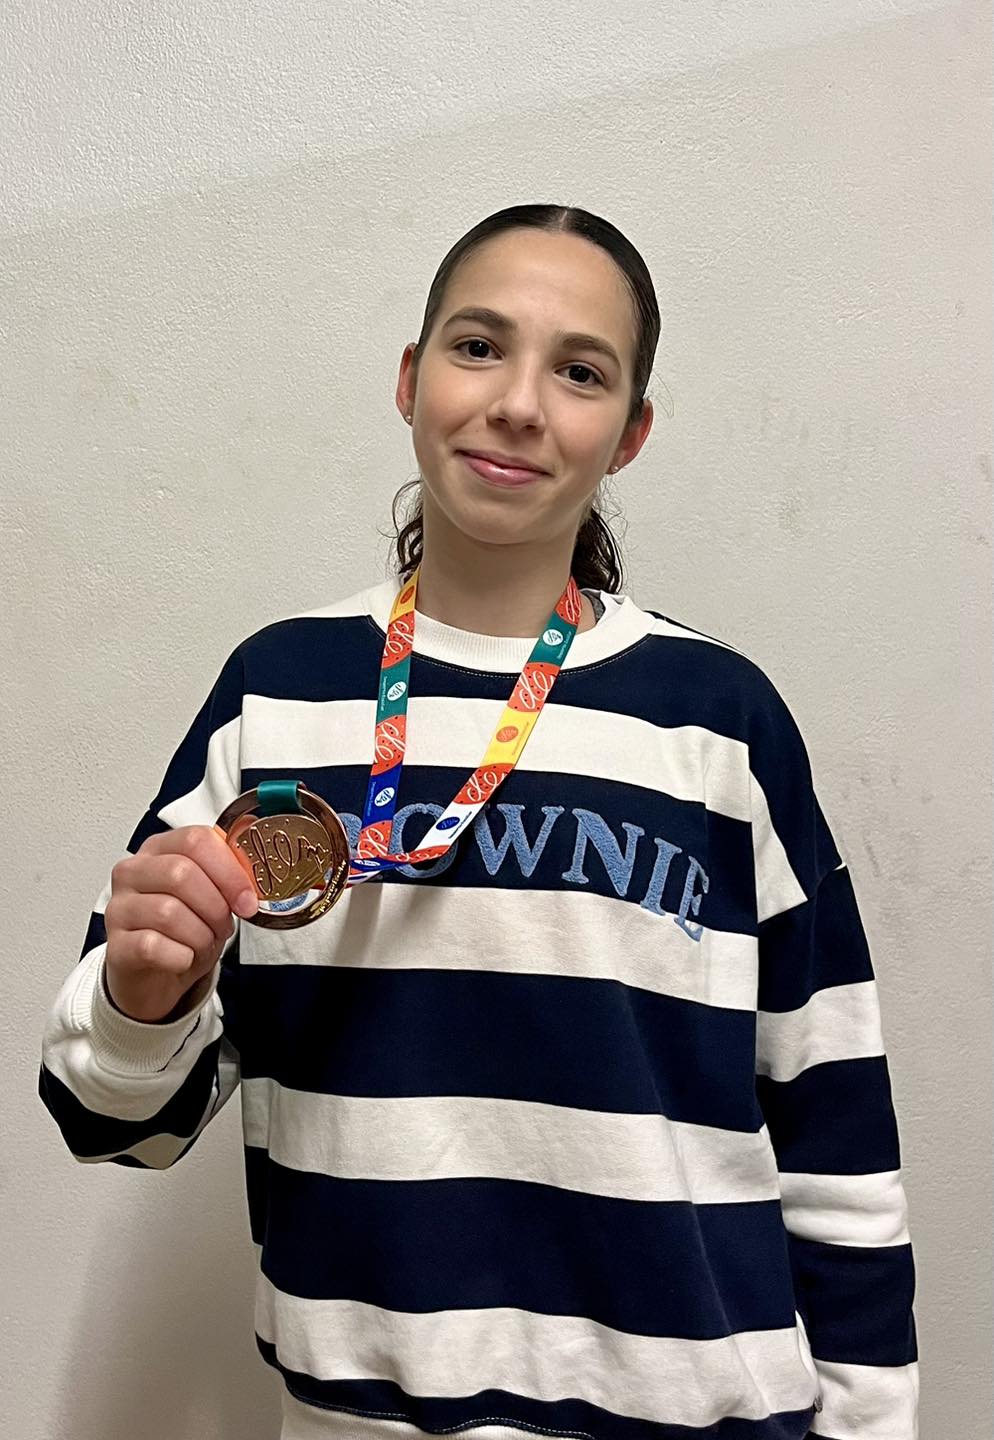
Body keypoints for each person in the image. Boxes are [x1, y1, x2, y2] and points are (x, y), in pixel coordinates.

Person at [39, 203, 918, 1440]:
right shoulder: (275, 695)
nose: (517, 404)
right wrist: (143, 999)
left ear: (629, 433)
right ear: (410, 379)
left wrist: (872, 1423)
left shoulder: (717, 721)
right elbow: (112, 1125)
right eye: (477, 346)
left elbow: (836, 1123)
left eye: (579, 372)